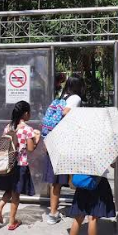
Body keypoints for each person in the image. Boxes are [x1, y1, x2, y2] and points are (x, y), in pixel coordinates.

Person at [0, 101, 41, 230]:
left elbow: (3, 143)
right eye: (29, 112)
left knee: (10, 189)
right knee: (16, 194)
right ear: (25, 113)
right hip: (20, 165)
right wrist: (37, 139)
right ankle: (12, 222)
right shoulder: (27, 130)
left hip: (8, 164)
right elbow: (30, 149)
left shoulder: (8, 127)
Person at [43, 76, 84, 225]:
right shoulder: (76, 98)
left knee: (57, 181)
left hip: (54, 140)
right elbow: (66, 113)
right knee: (75, 178)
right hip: (65, 143)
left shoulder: (62, 97)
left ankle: (53, 212)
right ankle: (60, 212)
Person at [63, 171, 116, 235]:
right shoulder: (101, 161)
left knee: (78, 218)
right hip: (98, 184)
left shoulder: (81, 160)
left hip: (83, 183)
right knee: (92, 218)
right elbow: (113, 165)